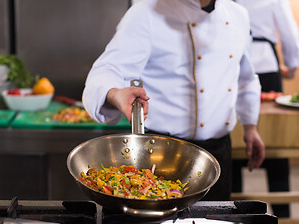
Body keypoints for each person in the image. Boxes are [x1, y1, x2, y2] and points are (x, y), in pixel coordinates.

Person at [82, 0, 265, 201]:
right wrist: (116, 94)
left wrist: (250, 126)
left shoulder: (238, 14)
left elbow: (245, 78)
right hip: (162, 156)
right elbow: (106, 71)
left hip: (218, 154)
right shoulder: (145, 13)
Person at [232, 0, 299, 218]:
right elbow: (289, 31)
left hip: (234, 64)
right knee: (275, 142)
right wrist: (291, 64)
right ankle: (282, 217)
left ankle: (235, 217)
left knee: (233, 137)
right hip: (267, 65)